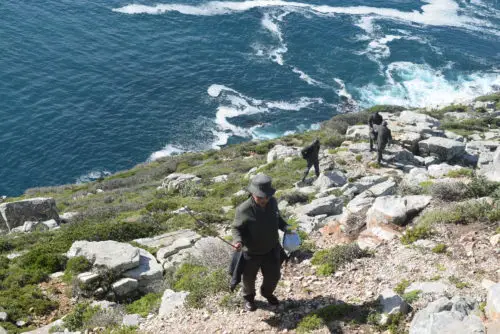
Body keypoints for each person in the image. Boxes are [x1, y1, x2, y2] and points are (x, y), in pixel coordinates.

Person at [232, 174, 289, 312]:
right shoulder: (243, 209)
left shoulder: (273, 203)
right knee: (248, 280)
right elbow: (236, 228)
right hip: (251, 253)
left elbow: (278, 219)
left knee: (274, 276)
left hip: (271, 249)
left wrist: (286, 227)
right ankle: (249, 298)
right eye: (260, 197)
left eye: (267, 196)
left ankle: (267, 293)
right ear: (252, 194)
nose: (264, 200)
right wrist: (238, 241)